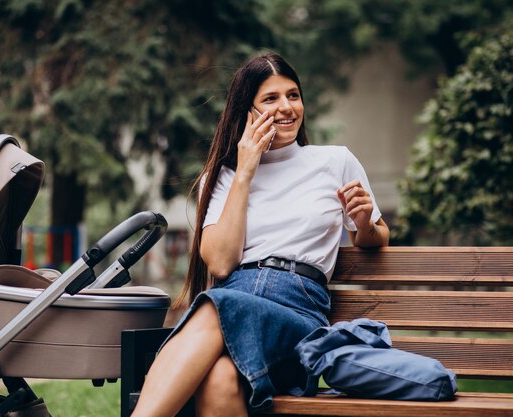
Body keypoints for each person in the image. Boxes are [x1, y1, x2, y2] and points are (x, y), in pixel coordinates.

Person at [132, 53, 389, 417]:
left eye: (293, 95)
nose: (286, 107)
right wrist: (245, 172)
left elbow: (377, 238)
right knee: (220, 377)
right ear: (247, 112)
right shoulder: (222, 178)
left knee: (213, 305)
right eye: (271, 99)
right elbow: (221, 262)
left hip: (298, 311)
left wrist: (364, 223)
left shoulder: (334, 161)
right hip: (236, 295)